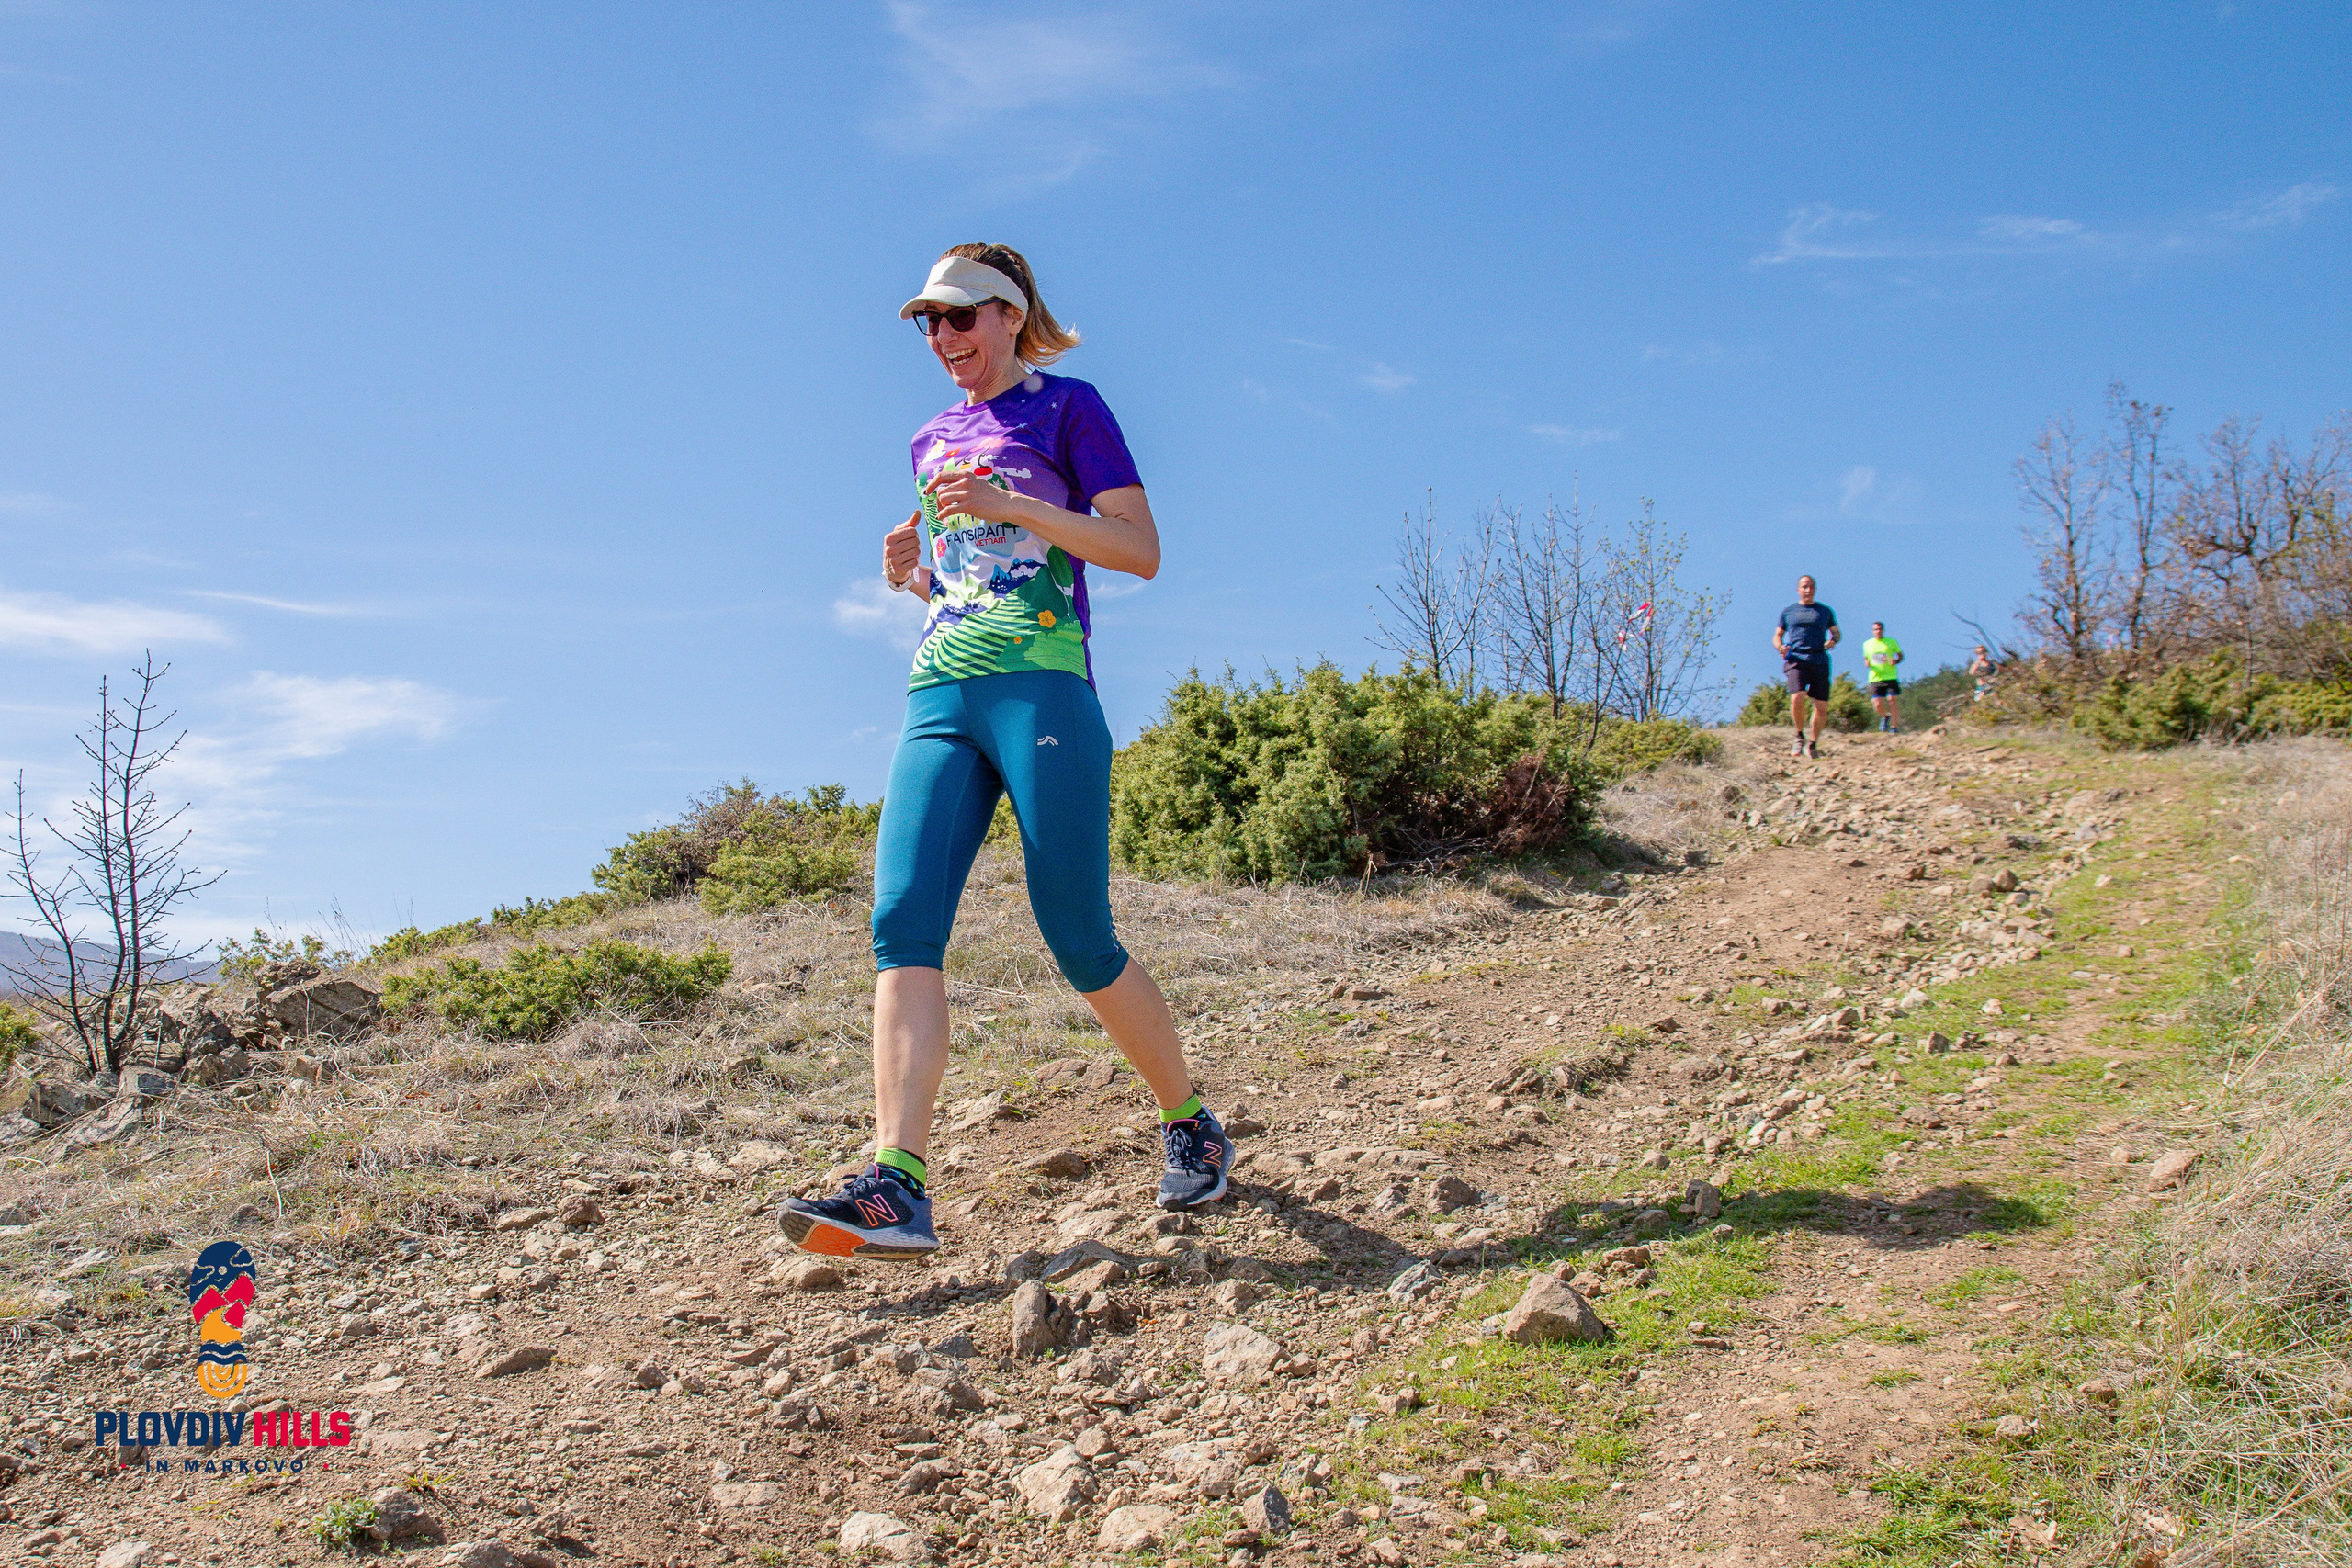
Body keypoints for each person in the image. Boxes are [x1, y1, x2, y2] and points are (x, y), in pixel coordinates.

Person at [778, 243, 1232, 1262]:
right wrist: (911, 578)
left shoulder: (1070, 410)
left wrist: (1017, 504)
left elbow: (1137, 550)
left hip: (1044, 689)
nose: (942, 340)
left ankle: (1190, 1119)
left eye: (959, 318)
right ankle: (898, 1184)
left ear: (1008, 317)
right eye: (927, 324)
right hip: (941, 688)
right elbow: (967, 584)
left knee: (1076, 931)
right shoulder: (930, 438)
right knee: (901, 922)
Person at [1773, 575, 1840, 759]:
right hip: (1796, 659)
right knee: (1797, 696)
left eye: (1811, 587)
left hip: (1819, 660)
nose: (1808, 590)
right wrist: (1780, 647)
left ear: (1815, 589)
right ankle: (1798, 735)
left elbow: (1836, 633)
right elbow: (1777, 635)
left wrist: (1832, 641)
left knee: (1821, 706)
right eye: (1804, 587)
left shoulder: (1824, 611)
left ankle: (1812, 743)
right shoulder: (1789, 612)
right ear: (1798, 589)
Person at [1862, 621, 1904, 733]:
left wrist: (1896, 661)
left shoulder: (1891, 642)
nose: (1878, 631)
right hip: (1875, 678)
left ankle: (1894, 727)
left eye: (1880, 629)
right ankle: (1885, 716)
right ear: (1873, 631)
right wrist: (1866, 662)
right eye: (1876, 629)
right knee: (1877, 704)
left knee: (1892, 700)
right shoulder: (1867, 644)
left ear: (1883, 630)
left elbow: (1900, 656)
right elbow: (1866, 658)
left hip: (1890, 676)